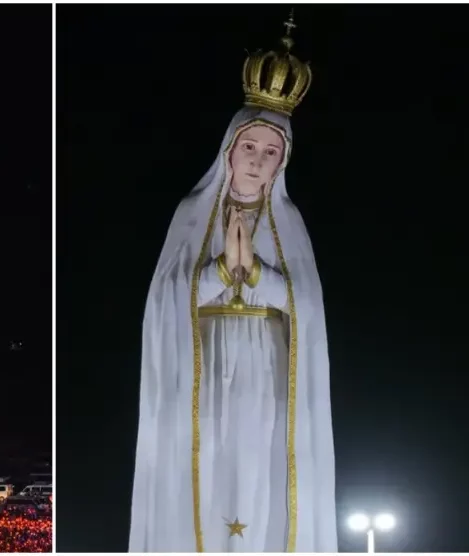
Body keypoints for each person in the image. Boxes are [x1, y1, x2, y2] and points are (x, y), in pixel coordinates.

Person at [129, 17, 337, 552]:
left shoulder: (288, 225)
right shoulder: (192, 215)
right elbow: (163, 302)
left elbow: (307, 310)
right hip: (203, 366)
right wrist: (223, 271)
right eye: (251, 147)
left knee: (259, 474)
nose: (259, 160)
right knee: (205, 470)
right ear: (229, 149)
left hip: (267, 372)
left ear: (281, 163)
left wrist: (258, 275)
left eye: (272, 153)